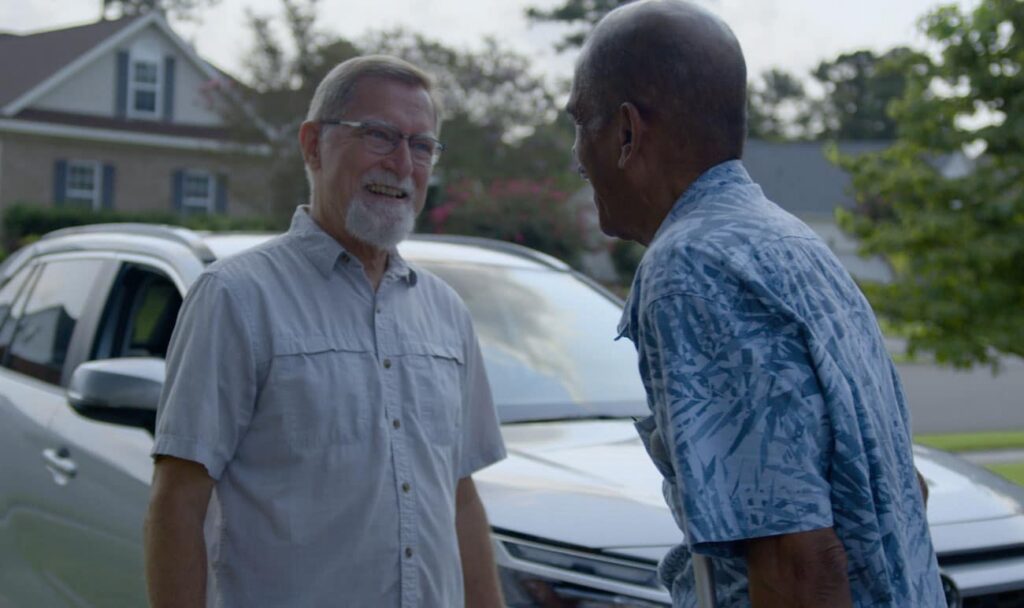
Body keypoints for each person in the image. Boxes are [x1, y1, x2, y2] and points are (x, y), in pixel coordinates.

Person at [566, 1, 945, 606]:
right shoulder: (792, 242)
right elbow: (909, 489)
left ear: (627, 133)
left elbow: (800, 564)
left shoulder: (692, 269)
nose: (577, 157)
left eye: (581, 123)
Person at [144, 55, 507, 608]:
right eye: (379, 136)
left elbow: (460, 499)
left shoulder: (446, 313)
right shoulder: (236, 298)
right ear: (313, 144)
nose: (402, 164)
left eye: (422, 146)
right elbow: (178, 504)